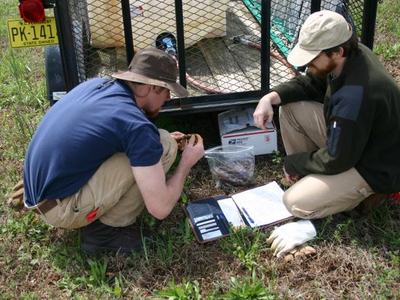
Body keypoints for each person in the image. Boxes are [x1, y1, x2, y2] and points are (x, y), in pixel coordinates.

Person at [22, 48, 205, 255]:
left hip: (40, 190)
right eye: (166, 90)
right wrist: (186, 164)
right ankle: (106, 234)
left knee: (158, 140)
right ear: (151, 88)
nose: (168, 98)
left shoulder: (96, 85)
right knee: (163, 146)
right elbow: (160, 209)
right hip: (60, 208)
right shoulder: (136, 126)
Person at [253, 10, 400, 257]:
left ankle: (349, 204)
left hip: (375, 166)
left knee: (294, 203)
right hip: (358, 142)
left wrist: (295, 163)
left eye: (312, 58)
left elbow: (338, 159)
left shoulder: (354, 98)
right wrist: (270, 97)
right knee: (289, 109)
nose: (306, 64)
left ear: (337, 52)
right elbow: (312, 83)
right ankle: (316, 185)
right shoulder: (352, 54)